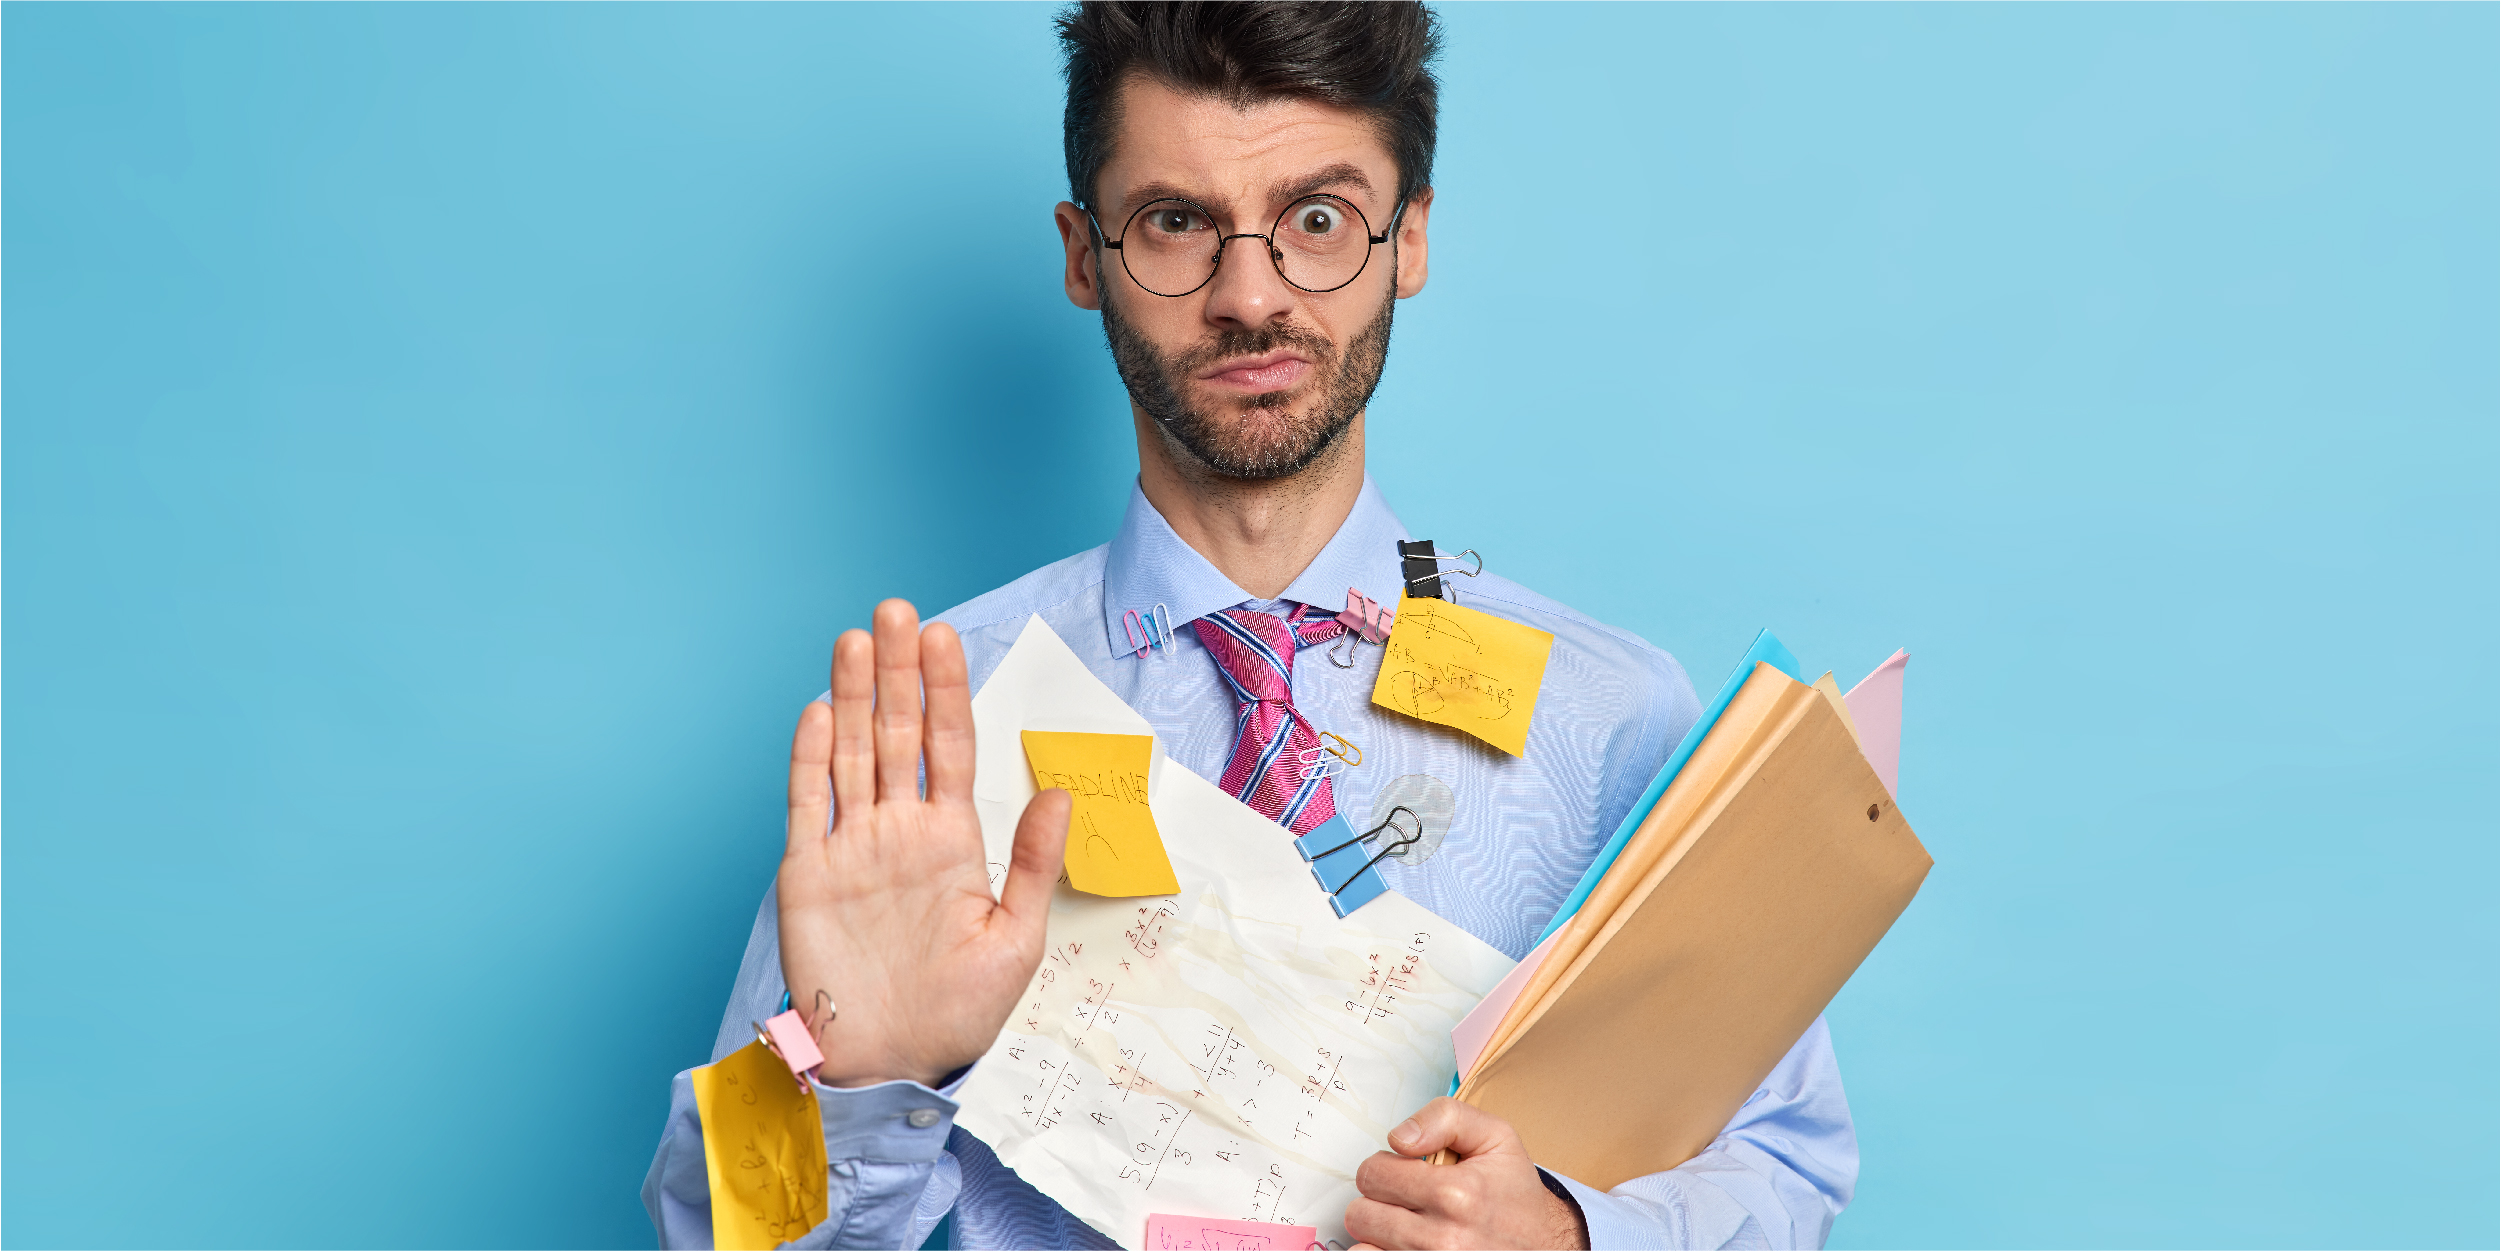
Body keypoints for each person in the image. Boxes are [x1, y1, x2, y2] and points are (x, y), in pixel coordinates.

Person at [644, 4, 1857, 1247]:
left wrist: (1568, 1235)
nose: (1248, 296)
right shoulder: (925, 729)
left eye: (1316, 222)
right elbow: (709, 1222)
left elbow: (1783, 1158)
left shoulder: (1612, 720)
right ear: (1082, 254)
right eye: (1175, 223)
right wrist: (852, 1077)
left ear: (1411, 239)